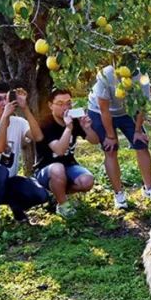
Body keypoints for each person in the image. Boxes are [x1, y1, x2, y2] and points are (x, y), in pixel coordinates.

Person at [0, 82, 49, 228]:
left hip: (8, 180)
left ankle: (17, 209)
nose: (3, 103)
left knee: (40, 194)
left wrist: (25, 108)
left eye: (5, 98)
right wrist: (4, 119)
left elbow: (38, 137)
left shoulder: (19, 122)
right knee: (0, 171)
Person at [87, 64, 151, 208]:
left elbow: (142, 105)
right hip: (99, 111)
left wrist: (138, 131)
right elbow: (104, 110)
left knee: (141, 144)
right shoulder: (106, 75)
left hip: (128, 110)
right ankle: (118, 194)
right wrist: (110, 135)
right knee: (111, 149)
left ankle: (149, 188)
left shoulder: (141, 75)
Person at [34, 88, 99, 217]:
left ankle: (58, 194)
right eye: (60, 103)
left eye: (68, 103)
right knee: (57, 169)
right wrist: (68, 128)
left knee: (87, 181)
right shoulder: (45, 123)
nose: (65, 107)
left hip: (69, 165)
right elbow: (59, 150)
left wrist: (87, 128)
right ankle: (63, 206)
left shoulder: (74, 120)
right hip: (45, 169)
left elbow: (95, 141)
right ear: (50, 105)